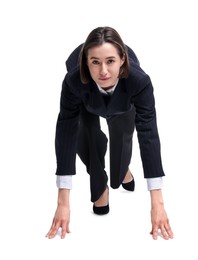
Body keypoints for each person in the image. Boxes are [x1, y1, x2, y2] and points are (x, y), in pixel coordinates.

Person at [46, 26, 174, 240]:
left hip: (123, 103)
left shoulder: (139, 82)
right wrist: (63, 202)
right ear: (86, 63)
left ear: (122, 59)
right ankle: (99, 188)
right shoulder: (73, 81)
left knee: (122, 138)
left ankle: (122, 170)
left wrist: (158, 203)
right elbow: (65, 131)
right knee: (85, 135)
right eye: (95, 62)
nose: (103, 71)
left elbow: (148, 133)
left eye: (110, 61)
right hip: (86, 100)